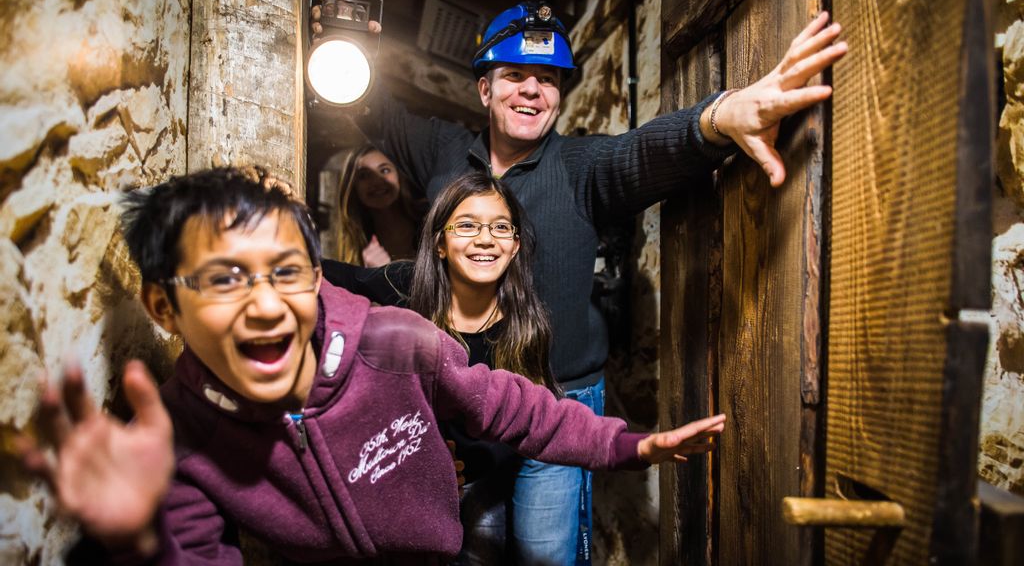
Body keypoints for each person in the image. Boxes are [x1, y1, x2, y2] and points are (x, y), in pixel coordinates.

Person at [313, 0, 847, 563]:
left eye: (546, 79)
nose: (530, 91)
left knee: (548, 555)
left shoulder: (580, 166)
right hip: (468, 402)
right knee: (471, 547)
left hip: (559, 398)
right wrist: (351, 46)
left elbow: (643, 153)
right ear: (484, 90)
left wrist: (718, 119)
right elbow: (378, 111)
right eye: (514, 75)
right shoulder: (443, 152)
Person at [16, 166, 727, 565]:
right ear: (163, 308)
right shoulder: (175, 436)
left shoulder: (396, 341)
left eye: (287, 272)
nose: (265, 306)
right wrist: (141, 543)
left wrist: (630, 444)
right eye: (226, 278)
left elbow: (516, 407)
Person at [323, 171, 562, 564]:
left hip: (483, 481)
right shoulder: (405, 285)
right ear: (439, 243)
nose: (485, 238)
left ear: (515, 245)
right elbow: (325, 276)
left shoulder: (527, 323)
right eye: (466, 225)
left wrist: (463, 464)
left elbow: (523, 425)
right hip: (406, 479)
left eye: (500, 227)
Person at [335, 144, 425, 267]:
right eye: (364, 175)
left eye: (385, 170)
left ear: (399, 175)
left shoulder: (429, 222)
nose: (377, 181)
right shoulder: (356, 243)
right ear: (353, 187)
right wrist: (374, 276)